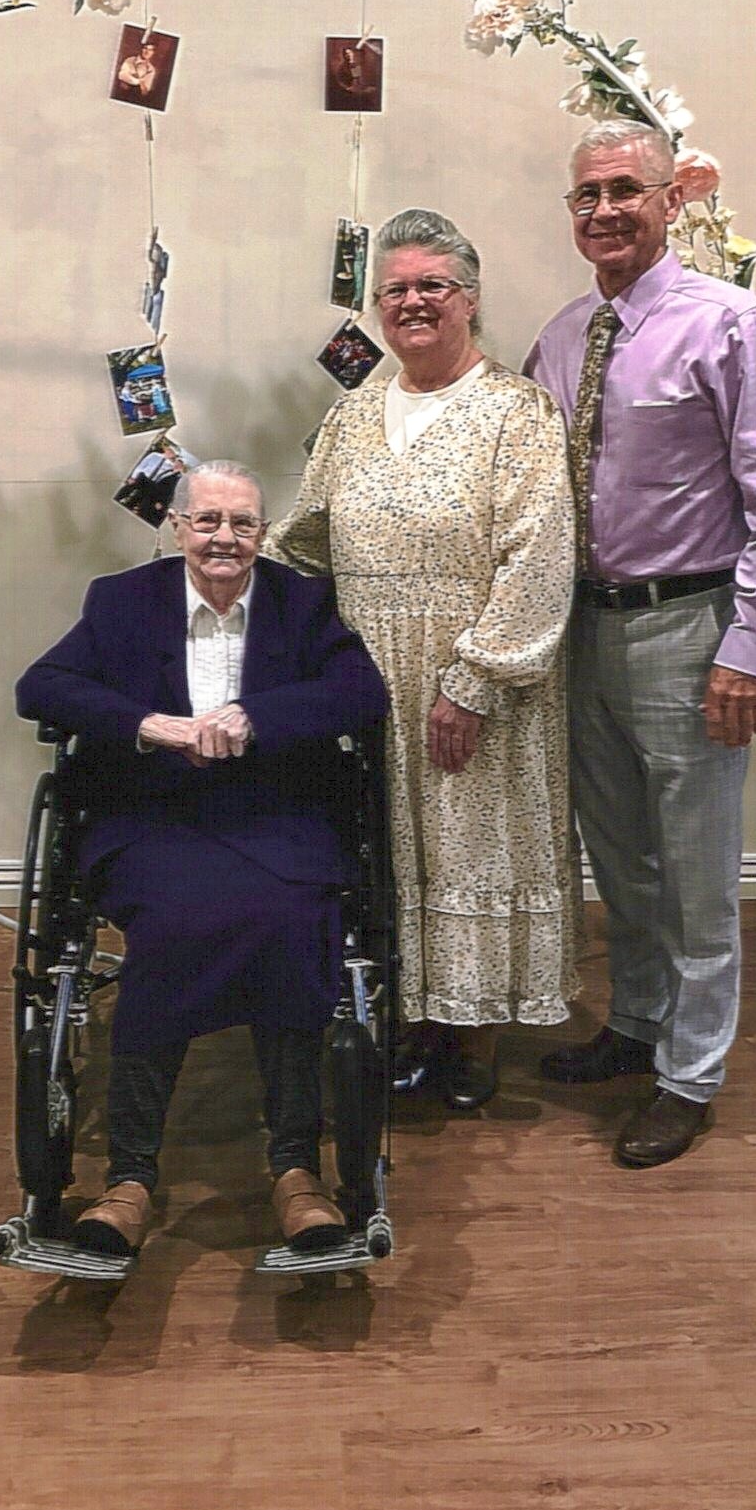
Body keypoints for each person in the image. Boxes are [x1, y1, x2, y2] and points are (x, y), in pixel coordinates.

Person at [524, 119, 756, 1167]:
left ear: (669, 200)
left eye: (624, 190)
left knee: (695, 872)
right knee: (619, 855)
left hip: (689, 629)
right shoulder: (562, 336)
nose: (604, 210)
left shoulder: (728, 323)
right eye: (586, 195)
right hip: (583, 631)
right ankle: (638, 1020)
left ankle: (689, 1074)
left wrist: (748, 647)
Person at [15, 461, 388, 1256]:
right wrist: (150, 725)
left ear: (263, 533)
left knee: (292, 918)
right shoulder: (122, 601)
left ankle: (296, 1170)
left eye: (242, 523)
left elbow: (363, 693)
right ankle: (129, 1178)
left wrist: (255, 716)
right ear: (178, 526)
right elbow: (40, 687)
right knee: (175, 921)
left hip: (276, 815)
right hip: (154, 817)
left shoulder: (301, 602)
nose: (224, 538)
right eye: (208, 521)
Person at [270, 209, 577, 1112]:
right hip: (367, 675)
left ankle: (472, 1039)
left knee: (471, 848)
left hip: (474, 676)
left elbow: (539, 556)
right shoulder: (352, 413)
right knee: (388, 853)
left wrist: (473, 681)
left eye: (431, 286)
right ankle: (411, 1022)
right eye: (395, 289)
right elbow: (306, 540)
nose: (411, 303)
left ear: (469, 301)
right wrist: (227, 577)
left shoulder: (516, 412)